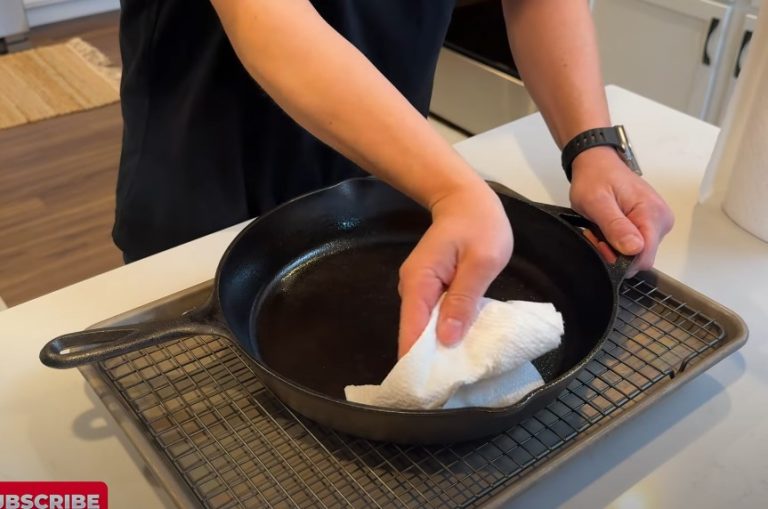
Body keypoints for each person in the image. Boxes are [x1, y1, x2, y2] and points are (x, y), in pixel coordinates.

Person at [114, 0, 674, 357]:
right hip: (210, 160)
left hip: (391, 164)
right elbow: (264, 12)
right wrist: (452, 187)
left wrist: (591, 146)